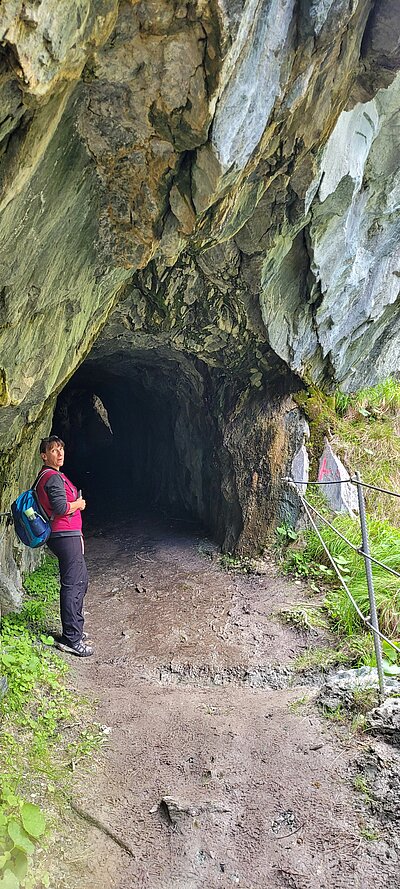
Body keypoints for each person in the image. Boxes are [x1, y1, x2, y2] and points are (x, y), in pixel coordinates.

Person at [35, 435, 93, 657]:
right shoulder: (51, 478)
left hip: (66, 535)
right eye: (53, 450)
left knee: (80, 580)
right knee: (73, 584)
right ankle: (71, 638)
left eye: (61, 449)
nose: (59, 454)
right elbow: (60, 507)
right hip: (64, 535)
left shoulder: (49, 476)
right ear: (44, 455)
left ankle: (75, 630)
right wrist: (78, 504)